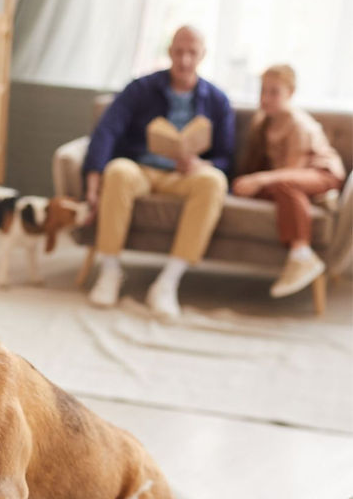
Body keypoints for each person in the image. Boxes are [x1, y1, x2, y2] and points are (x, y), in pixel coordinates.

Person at [83, 25, 235, 319]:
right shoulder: (140, 88)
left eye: (192, 52)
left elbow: (227, 158)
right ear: (169, 52)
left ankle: (168, 282)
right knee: (118, 171)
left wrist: (203, 164)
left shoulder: (218, 100)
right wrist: (92, 182)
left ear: (203, 54)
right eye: (179, 51)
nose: (185, 60)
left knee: (214, 181)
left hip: (187, 175)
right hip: (141, 167)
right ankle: (111, 270)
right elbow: (106, 131)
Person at [231, 64, 346, 298]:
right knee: (268, 187)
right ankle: (317, 200)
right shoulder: (262, 122)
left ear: (290, 93)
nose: (265, 98)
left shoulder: (298, 124)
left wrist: (260, 179)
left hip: (320, 173)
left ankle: (302, 254)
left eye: (274, 92)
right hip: (286, 179)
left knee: (284, 185)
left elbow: (292, 171)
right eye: (263, 91)